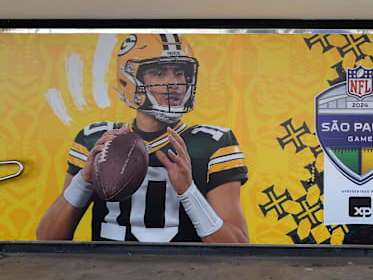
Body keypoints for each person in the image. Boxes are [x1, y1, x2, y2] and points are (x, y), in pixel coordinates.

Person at [37, 34, 249, 243]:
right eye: (159, 73)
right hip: (107, 272)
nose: (174, 82)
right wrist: (84, 181)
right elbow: (48, 238)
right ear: (129, 79)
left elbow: (237, 246)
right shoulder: (97, 140)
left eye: (179, 73)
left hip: (187, 272)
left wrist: (188, 191)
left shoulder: (212, 143)